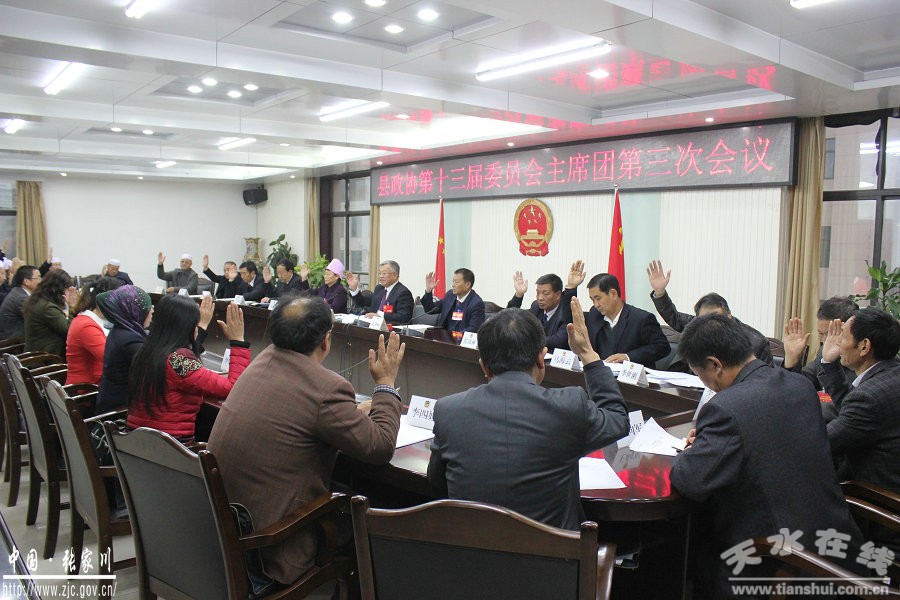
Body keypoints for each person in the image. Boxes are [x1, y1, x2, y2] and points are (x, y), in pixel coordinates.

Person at [207, 296, 405, 585]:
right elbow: (381, 446)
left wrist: (350, 412)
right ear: (326, 340)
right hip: (269, 549)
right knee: (374, 518)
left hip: (220, 533)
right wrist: (385, 384)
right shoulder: (328, 388)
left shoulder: (262, 361)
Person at [670, 314, 865, 599]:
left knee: (697, 553)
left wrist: (692, 451)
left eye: (699, 373)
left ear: (715, 364)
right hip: (836, 543)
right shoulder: (799, 385)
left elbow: (690, 480)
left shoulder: (726, 407)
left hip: (778, 561)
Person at [428, 300, 629, 530]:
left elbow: (438, 482)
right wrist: (588, 354)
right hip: (553, 551)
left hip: (472, 549)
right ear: (541, 359)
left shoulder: (448, 410)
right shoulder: (569, 406)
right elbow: (617, 419)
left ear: (484, 366)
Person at [821, 308, 900, 552]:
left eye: (842, 336)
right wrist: (829, 363)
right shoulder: (890, 376)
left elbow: (821, 445)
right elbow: (855, 411)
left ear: (864, 346)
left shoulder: (869, 398)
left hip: (878, 520)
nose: (836, 342)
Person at [127, 295, 250, 442]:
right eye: (195, 325)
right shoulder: (178, 361)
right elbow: (234, 389)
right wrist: (238, 341)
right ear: (187, 328)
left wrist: (202, 326)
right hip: (170, 446)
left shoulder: (146, 351)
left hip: (137, 442)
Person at [646, 260, 773, 365]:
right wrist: (660, 293)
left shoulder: (757, 343)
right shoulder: (700, 325)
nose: (710, 324)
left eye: (716, 318)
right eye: (705, 320)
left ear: (729, 315)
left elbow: (768, 379)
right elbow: (674, 317)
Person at [782, 296, 858, 417]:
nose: (825, 341)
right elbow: (799, 387)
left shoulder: (863, 361)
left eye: (830, 333)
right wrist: (792, 359)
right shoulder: (822, 352)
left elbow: (848, 407)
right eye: (821, 334)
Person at [585, 273, 670, 367]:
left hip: (630, 373)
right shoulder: (595, 314)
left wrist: (628, 357)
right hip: (601, 372)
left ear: (613, 294)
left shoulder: (641, 318)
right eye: (592, 300)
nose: (596, 305)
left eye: (598, 298)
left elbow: (662, 347)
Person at [506, 260, 586, 351]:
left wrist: (571, 286)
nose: (540, 298)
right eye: (538, 293)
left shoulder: (566, 312)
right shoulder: (536, 307)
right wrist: (519, 295)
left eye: (545, 293)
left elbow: (559, 341)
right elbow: (509, 318)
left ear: (558, 295)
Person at [96, 286, 154, 412]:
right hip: (119, 412)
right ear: (135, 311)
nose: (152, 311)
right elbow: (158, 370)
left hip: (113, 403)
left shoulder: (121, 330)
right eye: (149, 308)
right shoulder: (130, 340)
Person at [65, 276, 122, 385]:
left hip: (94, 383)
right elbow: (111, 359)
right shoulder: (87, 326)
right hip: (86, 389)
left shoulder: (87, 319)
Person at [23, 269, 79, 356]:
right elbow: (69, 330)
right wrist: (73, 307)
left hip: (37, 352)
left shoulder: (37, 300)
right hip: (46, 358)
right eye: (67, 289)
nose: (67, 293)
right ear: (58, 289)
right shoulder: (47, 307)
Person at [346, 260, 414, 325]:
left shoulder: (403, 293)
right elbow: (363, 303)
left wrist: (380, 315)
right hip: (372, 326)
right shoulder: (379, 288)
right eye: (379, 273)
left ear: (395, 275)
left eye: (384, 273)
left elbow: (403, 317)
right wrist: (354, 289)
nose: (381, 276)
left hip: (391, 329)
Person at [421, 268, 485, 335]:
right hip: (444, 337)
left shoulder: (476, 303)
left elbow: (473, 329)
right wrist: (428, 291)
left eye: (456, 282)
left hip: (460, 339)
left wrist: (455, 336)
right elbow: (430, 309)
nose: (453, 285)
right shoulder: (450, 295)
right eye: (453, 281)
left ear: (467, 284)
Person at [0, 265, 40, 340]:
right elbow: (40, 317)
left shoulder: (18, 291)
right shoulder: (21, 298)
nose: (40, 281)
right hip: (13, 342)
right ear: (26, 281)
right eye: (38, 278)